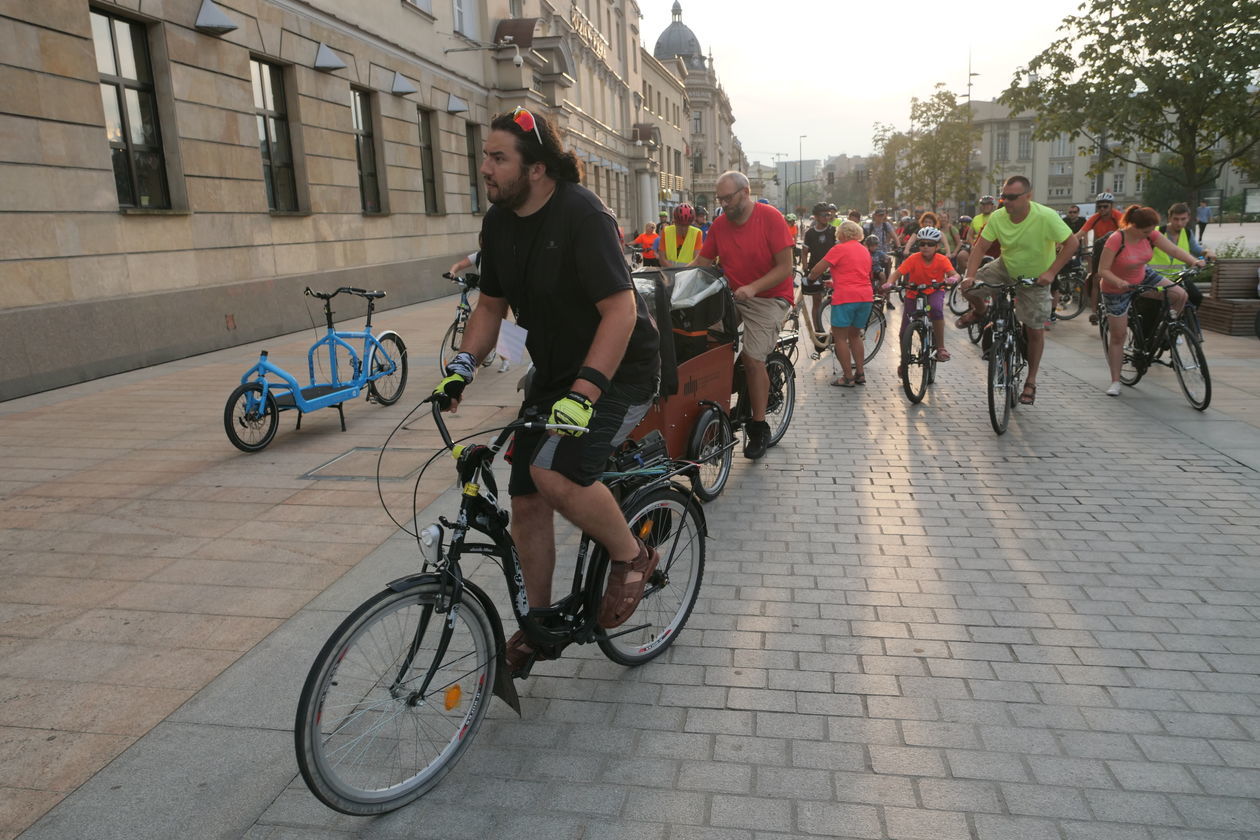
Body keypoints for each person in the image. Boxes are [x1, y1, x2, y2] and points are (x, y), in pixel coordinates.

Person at [432, 106, 661, 674]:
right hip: (554, 376)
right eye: (485, 155)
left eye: (497, 157)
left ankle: (632, 555)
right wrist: (461, 365)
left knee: (555, 473)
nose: (484, 167)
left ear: (536, 168)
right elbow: (490, 306)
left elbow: (620, 310)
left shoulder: (582, 215)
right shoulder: (501, 221)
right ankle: (539, 625)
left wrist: (585, 392)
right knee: (527, 502)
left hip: (618, 372)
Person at [691, 170, 795, 459]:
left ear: (745, 192)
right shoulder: (720, 224)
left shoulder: (770, 217)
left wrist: (754, 287)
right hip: (734, 295)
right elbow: (702, 261)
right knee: (706, 342)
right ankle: (716, 407)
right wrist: (671, 280)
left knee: (752, 359)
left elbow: (785, 268)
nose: (724, 204)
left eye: (728, 197)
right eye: (720, 198)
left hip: (770, 297)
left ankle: (758, 426)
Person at [957, 175, 1079, 406]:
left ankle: (1030, 381)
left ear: (1028, 196)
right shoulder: (998, 217)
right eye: (1003, 197)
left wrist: (1051, 273)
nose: (1006, 202)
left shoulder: (1046, 216)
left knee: (1034, 330)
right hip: (1005, 267)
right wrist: (970, 276)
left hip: (1036, 279)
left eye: (1012, 197)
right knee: (968, 288)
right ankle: (981, 311)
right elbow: (980, 246)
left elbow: (1072, 244)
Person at [1098, 204, 1205, 396]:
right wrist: (1119, 282)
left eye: (1151, 231)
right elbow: (1103, 270)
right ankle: (1115, 381)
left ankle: (1167, 331)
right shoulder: (1117, 239)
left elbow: (1173, 250)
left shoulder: (1151, 234)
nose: (1150, 234)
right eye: (1146, 231)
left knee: (1180, 294)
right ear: (1133, 226)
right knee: (1118, 336)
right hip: (1116, 288)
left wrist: (1193, 261)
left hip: (1142, 276)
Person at [805, 220, 872, 386]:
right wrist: (835, 282)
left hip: (845, 298)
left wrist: (810, 278)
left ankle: (847, 377)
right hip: (865, 297)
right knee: (855, 335)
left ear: (842, 234)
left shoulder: (839, 249)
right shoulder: (864, 250)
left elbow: (817, 269)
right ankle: (860, 374)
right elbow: (857, 274)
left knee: (840, 338)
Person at [888, 226, 958, 369]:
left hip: (934, 291)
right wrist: (889, 283)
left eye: (930, 244)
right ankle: (904, 362)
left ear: (937, 246)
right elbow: (898, 273)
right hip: (913, 293)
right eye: (922, 243)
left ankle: (940, 348)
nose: (925, 247)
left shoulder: (942, 259)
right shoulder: (913, 258)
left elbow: (955, 274)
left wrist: (953, 278)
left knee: (936, 310)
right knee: (903, 331)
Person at [1080, 192, 1123, 324]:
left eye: (1105, 206)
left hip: (1117, 251)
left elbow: (1127, 232)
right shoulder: (1095, 218)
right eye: (1099, 207)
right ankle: (1094, 312)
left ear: (1111, 206)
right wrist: (1067, 243)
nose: (1102, 209)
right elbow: (1082, 232)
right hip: (1100, 250)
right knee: (1095, 279)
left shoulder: (1119, 217)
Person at [801, 202, 838, 334]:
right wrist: (806, 270)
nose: (827, 217)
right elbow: (804, 253)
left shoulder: (834, 231)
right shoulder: (810, 233)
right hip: (815, 271)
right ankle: (818, 331)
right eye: (823, 215)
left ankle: (834, 331)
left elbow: (839, 251)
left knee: (835, 302)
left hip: (832, 271)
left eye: (828, 214)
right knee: (816, 301)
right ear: (816, 216)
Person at [657, 202, 704, 269]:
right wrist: (674, 272)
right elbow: (662, 259)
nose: (683, 229)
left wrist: (681, 273)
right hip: (669, 273)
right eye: (681, 225)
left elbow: (696, 260)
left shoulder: (697, 233)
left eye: (686, 226)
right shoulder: (666, 231)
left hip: (688, 274)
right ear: (675, 222)